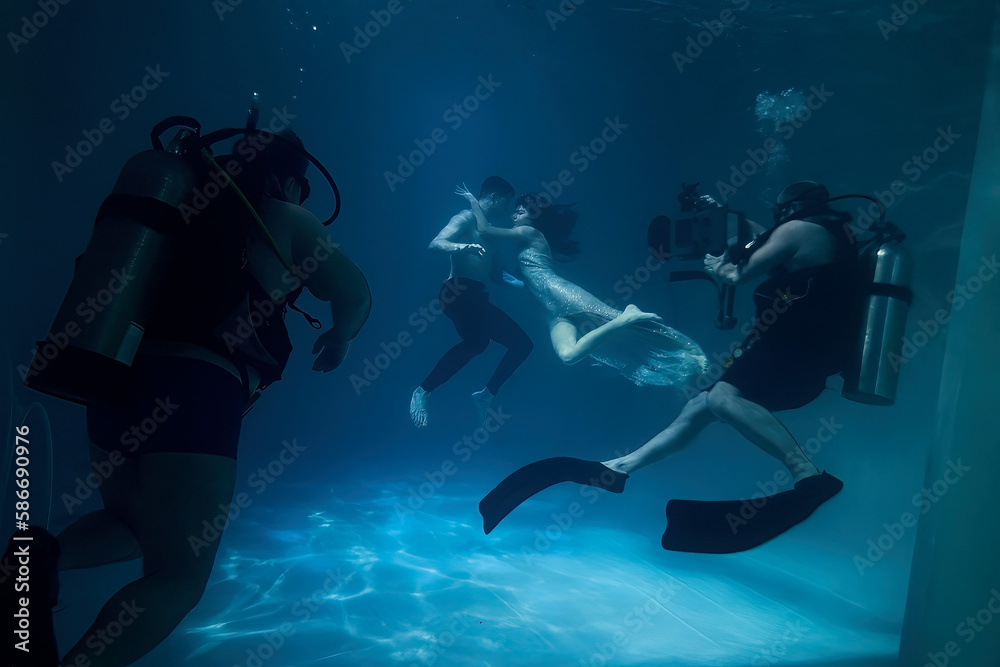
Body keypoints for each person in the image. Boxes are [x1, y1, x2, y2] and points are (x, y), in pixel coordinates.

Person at [4, 127, 371, 666]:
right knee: (179, 575)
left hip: (116, 372)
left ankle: (36, 560)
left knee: (132, 524)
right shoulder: (286, 216)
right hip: (197, 389)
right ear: (289, 179)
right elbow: (355, 292)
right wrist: (340, 337)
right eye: (301, 189)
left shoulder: (180, 208)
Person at [479, 181, 864, 553]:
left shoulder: (797, 230)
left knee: (723, 396)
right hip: (808, 347)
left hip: (797, 347)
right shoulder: (829, 233)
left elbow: (738, 273)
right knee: (702, 404)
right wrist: (718, 216)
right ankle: (621, 467)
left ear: (789, 207)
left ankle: (806, 474)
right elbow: (759, 239)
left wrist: (717, 265)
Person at [457, 186, 708, 387]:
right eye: (516, 210)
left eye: (521, 210)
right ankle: (644, 331)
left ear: (534, 217)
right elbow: (526, 280)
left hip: (560, 292)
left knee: (614, 318)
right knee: (568, 356)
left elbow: (484, 229)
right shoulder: (524, 241)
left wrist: (472, 201)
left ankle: (686, 347)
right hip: (550, 308)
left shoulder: (529, 233)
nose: (515, 214)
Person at [409, 177, 533, 428]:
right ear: (495, 197)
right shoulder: (466, 217)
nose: (508, 209)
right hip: (455, 291)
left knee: (520, 345)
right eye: (507, 202)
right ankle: (422, 391)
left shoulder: (492, 234)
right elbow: (436, 244)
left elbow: (498, 275)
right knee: (479, 342)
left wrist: (528, 286)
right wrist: (463, 247)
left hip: (476, 294)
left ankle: (485, 395)